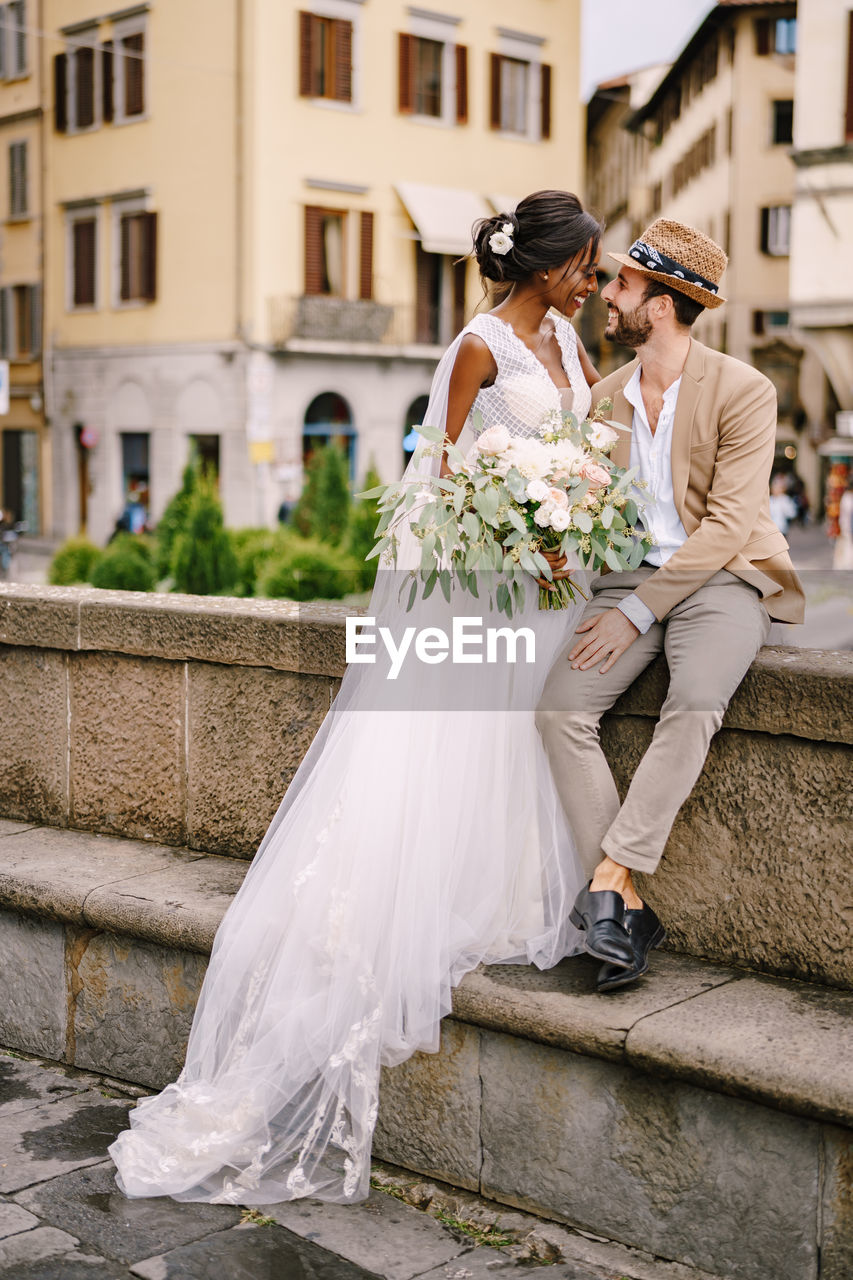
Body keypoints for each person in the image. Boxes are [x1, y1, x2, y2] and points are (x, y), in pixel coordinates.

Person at [109, 190, 605, 1205]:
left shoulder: (565, 338)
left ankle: (506, 890)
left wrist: (578, 512)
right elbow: (435, 473)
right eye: (588, 269)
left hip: (563, 582)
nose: (594, 286)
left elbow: (581, 447)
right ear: (551, 266)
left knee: (519, 742)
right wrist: (521, 526)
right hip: (498, 578)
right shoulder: (476, 346)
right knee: (469, 743)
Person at [537, 219, 805, 993]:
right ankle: (625, 903)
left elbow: (726, 525)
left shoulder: (744, 389)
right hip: (624, 580)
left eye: (620, 285)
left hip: (722, 579)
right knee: (558, 711)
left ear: (658, 304)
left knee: (692, 702)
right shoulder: (602, 398)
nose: (605, 297)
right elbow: (585, 509)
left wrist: (637, 613)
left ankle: (610, 880)